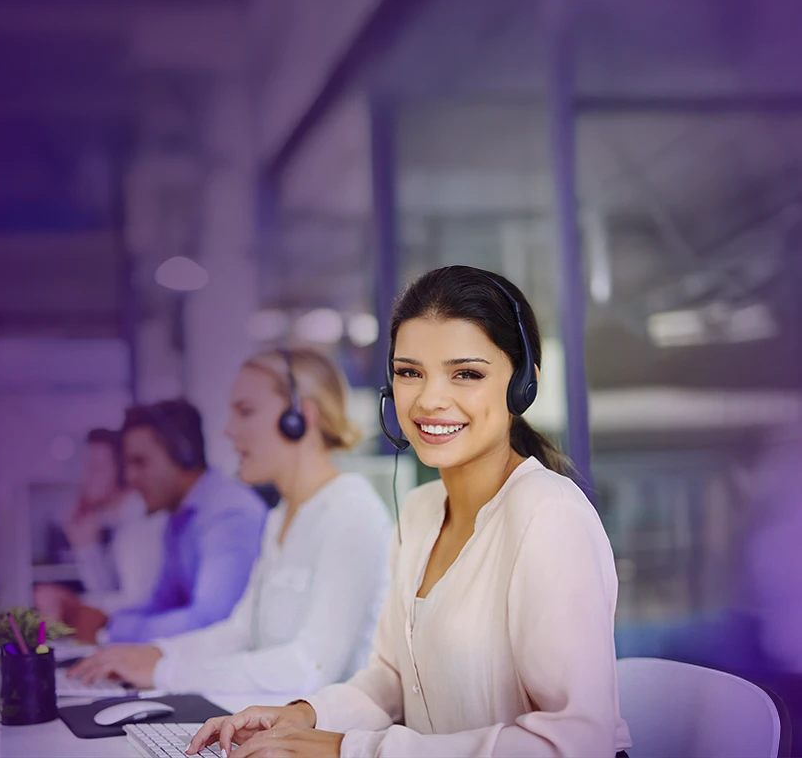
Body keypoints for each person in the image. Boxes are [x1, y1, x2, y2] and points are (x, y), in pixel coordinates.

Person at [187, 266, 631, 758]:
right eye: (409, 372)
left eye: (466, 374)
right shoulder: (419, 512)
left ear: (522, 386)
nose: (429, 400)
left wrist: (344, 750)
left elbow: (576, 744)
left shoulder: (550, 517)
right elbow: (392, 681)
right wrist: (301, 716)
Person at [67, 347, 391, 694]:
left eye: (245, 411)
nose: (229, 430)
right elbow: (239, 632)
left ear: (300, 419)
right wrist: (153, 653)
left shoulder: (351, 511)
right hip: (272, 720)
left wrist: (167, 673)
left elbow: (310, 665)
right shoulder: (281, 516)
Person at [35, 399, 266, 643]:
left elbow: (212, 622)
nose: (130, 478)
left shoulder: (228, 514)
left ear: (183, 455)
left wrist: (108, 631)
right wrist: (98, 619)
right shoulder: (178, 520)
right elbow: (160, 606)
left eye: (140, 462)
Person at [35, 428, 165, 618]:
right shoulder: (120, 525)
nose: (85, 478)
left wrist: (71, 604)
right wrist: (85, 547)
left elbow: (136, 605)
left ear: (123, 472)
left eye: (95, 468)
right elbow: (107, 591)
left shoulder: (140, 526)